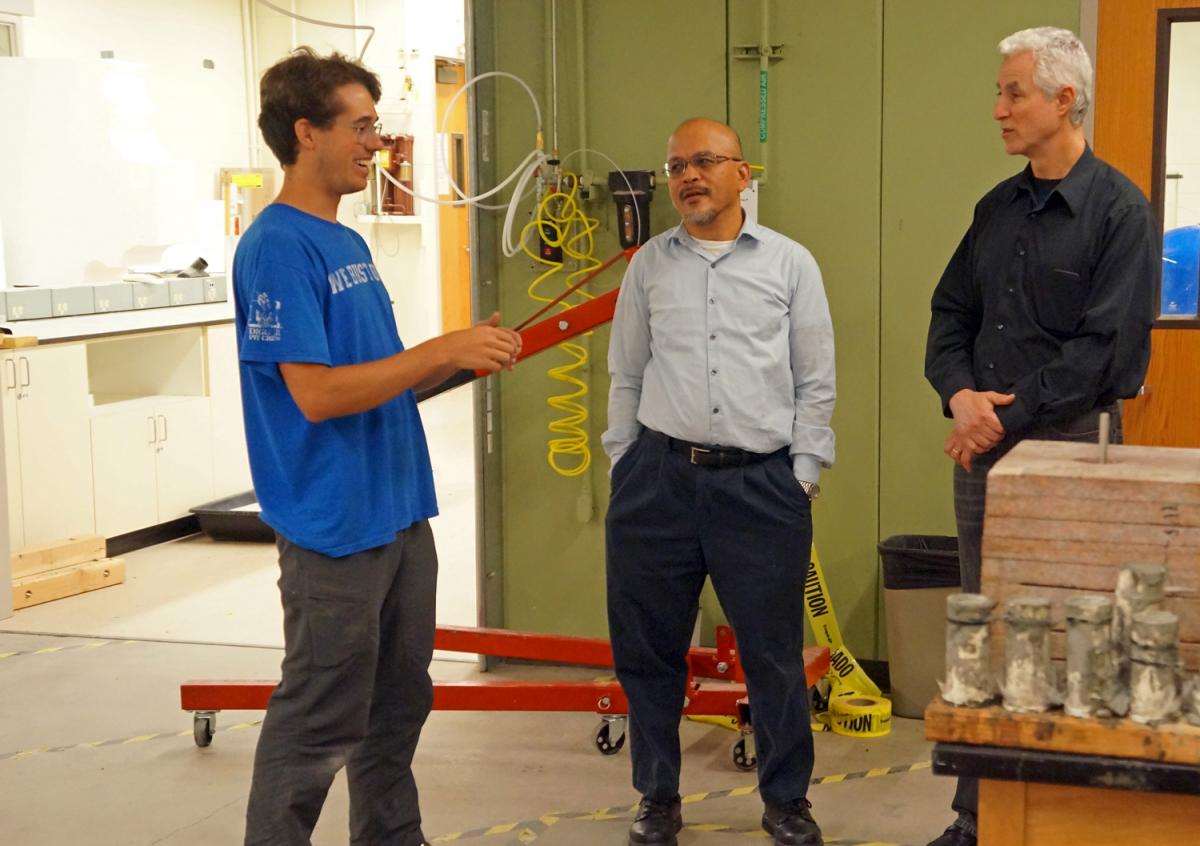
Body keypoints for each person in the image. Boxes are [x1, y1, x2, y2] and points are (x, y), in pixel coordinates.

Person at [234, 48, 521, 846]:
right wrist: (439, 349)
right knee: (321, 716)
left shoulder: (344, 242)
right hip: (335, 528)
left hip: (396, 513)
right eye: (360, 128)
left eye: (376, 126)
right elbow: (318, 394)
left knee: (398, 707)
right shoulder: (278, 247)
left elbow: (376, 378)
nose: (376, 144)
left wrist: (462, 355)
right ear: (306, 132)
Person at [924, 27, 1157, 846]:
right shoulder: (996, 209)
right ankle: (974, 818)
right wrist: (959, 396)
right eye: (1000, 91)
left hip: (1072, 451)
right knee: (984, 630)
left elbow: (1106, 353)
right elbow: (949, 314)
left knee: (1072, 633)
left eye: (1014, 92)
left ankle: (1069, 819)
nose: (998, 109)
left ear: (1065, 100)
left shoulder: (1121, 212)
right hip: (986, 450)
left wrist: (998, 416)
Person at [603, 117, 836, 846]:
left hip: (759, 488)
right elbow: (627, 372)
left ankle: (787, 801)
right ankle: (657, 797)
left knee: (771, 656)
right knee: (647, 652)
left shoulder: (790, 265)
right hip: (658, 482)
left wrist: (801, 472)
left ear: (744, 174)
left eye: (705, 161)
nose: (688, 177)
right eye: (676, 166)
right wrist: (623, 462)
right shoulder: (648, 266)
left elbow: (815, 380)